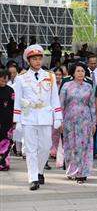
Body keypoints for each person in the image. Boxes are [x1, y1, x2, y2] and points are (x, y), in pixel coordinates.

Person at [12, 44, 63, 190]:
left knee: (45, 147)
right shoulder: (21, 79)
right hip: (29, 117)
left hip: (45, 116)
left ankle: (40, 170)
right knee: (30, 149)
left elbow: (54, 98)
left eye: (39, 58)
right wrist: (18, 120)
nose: (37, 61)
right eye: (34, 59)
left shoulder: (50, 77)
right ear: (29, 61)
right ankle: (33, 177)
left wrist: (58, 117)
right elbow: (18, 100)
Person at [60, 62, 96, 184]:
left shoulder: (89, 87)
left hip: (85, 121)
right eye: (78, 71)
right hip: (69, 121)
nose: (80, 73)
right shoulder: (66, 86)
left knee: (84, 147)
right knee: (71, 146)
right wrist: (59, 121)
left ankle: (82, 172)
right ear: (73, 73)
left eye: (82, 71)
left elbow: (92, 105)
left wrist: (94, 122)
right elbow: (61, 105)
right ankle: (72, 170)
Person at [0, 70, 14, 171]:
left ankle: (4, 163)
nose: (4, 81)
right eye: (2, 79)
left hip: (7, 120)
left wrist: (15, 120)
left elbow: (14, 106)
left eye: (6, 79)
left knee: (6, 142)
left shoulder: (10, 90)